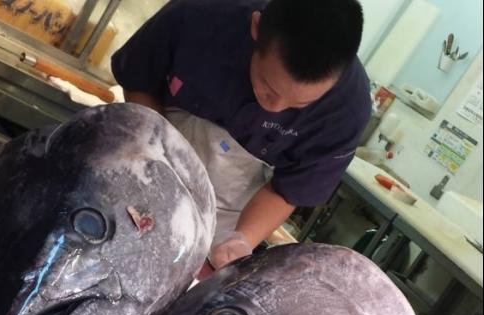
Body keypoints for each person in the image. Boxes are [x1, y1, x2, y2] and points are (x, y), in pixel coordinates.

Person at [111, 0, 371, 269]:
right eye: (268, 87)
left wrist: (241, 240)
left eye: (298, 106)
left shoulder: (346, 110)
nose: (275, 107)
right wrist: (158, 161)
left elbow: (289, 190)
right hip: (145, 165)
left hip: (222, 222)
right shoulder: (198, 13)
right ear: (256, 28)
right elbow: (138, 82)